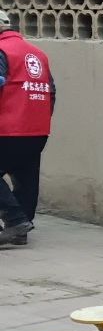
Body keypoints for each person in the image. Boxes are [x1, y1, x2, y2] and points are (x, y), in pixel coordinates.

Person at [0, 21, 54, 247]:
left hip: (7, 128)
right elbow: (51, 91)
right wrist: (41, 118)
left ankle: (16, 221)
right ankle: (21, 228)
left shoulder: (2, 51)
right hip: (37, 129)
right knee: (26, 177)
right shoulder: (38, 53)